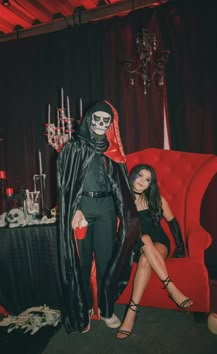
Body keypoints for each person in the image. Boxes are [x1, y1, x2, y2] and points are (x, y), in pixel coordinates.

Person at [57, 100, 140, 334]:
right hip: (82, 207)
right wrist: (74, 209)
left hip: (106, 208)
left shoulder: (114, 150)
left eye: (107, 120)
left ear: (111, 123)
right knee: (81, 263)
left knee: (106, 261)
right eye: (97, 119)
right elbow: (65, 185)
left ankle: (106, 309)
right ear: (89, 120)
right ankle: (82, 311)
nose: (102, 124)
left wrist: (123, 213)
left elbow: (121, 185)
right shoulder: (73, 148)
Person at [116, 164, 193, 339]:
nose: (142, 182)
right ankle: (171, 287)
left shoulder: (156, 199)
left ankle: (131, 312)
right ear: (132, 176)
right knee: (144, 241)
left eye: (148, 179)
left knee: (147, 243)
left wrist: (180, 248)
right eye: (140, 176)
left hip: (160, 242)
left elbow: (172, 223)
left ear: (151, 184)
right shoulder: (122, 199)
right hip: (135, 244)